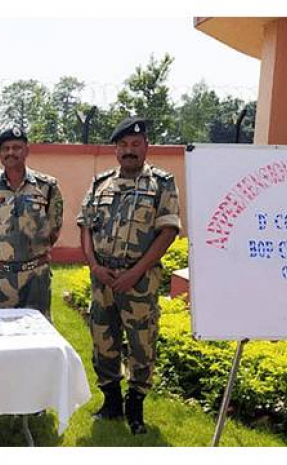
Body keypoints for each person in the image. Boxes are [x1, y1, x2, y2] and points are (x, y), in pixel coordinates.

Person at [76, 117, 181, 434]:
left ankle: (135, 406)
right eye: (123, 145)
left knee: (141, 343)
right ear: (115, 150)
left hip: (140, 279)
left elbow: (168, 231)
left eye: (136, 145)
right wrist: (94, 266)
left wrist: (135, 272)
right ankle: (110, 402)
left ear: (146, 146)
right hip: (103, 279)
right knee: (102, 340)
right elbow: (85, 226)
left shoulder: (161, 184)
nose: (129, 150)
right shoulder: (101, 184)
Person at [0, 128, 63, 320]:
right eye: (5, 148)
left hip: (35, 277)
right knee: (0, 336)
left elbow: (54, 228)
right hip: (0, 277)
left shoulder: (47, 186)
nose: (11, 153)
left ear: (27, 150)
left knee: (38, 336)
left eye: (17, 147)